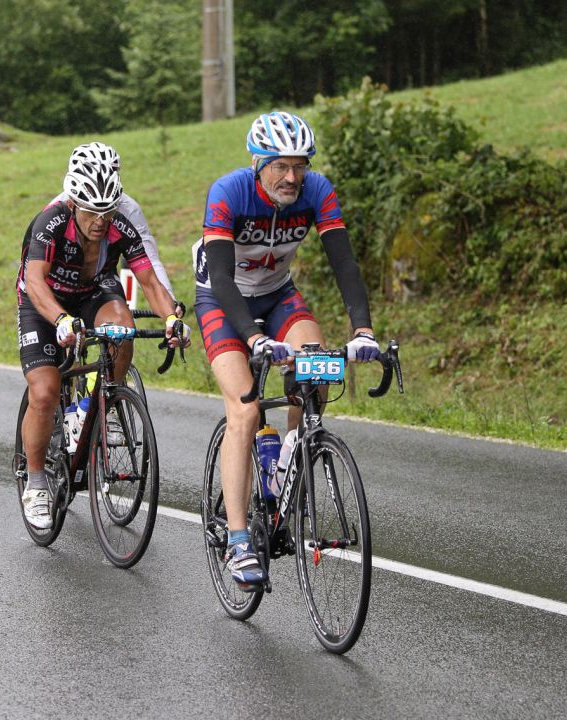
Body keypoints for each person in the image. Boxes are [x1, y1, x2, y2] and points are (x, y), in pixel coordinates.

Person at [192, 111, 381, 591]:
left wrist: (363, 331)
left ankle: (284, 471)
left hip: (278, 295)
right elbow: (219, 277)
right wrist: (254, 339)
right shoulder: (229, 191)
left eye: (300, 165)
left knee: (312, 371)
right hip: (224, 297)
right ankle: (238, 542)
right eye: (281, 166)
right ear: (258, 163)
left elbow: (344, 262)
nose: (292, 177)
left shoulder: (318, 191)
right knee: (245, 409)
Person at [17, 150, 191, 530]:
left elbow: (149, 281)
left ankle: (96, 405)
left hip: (93, 289)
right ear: (74, 202)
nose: (100, 221)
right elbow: (34, 281)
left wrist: (172, 319)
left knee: (122, 330)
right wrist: (61, 319)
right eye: (92, 212)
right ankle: (35, 482)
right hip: (44, 297)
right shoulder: (52, 221)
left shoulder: (119, 225)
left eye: (108, 211)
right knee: (44, 391)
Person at [50, 142, 177, 302]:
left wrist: (170, 301)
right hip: (59, 283)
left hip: (100, 282)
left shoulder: (129, 208)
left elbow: (150, 259)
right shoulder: (58, 207)